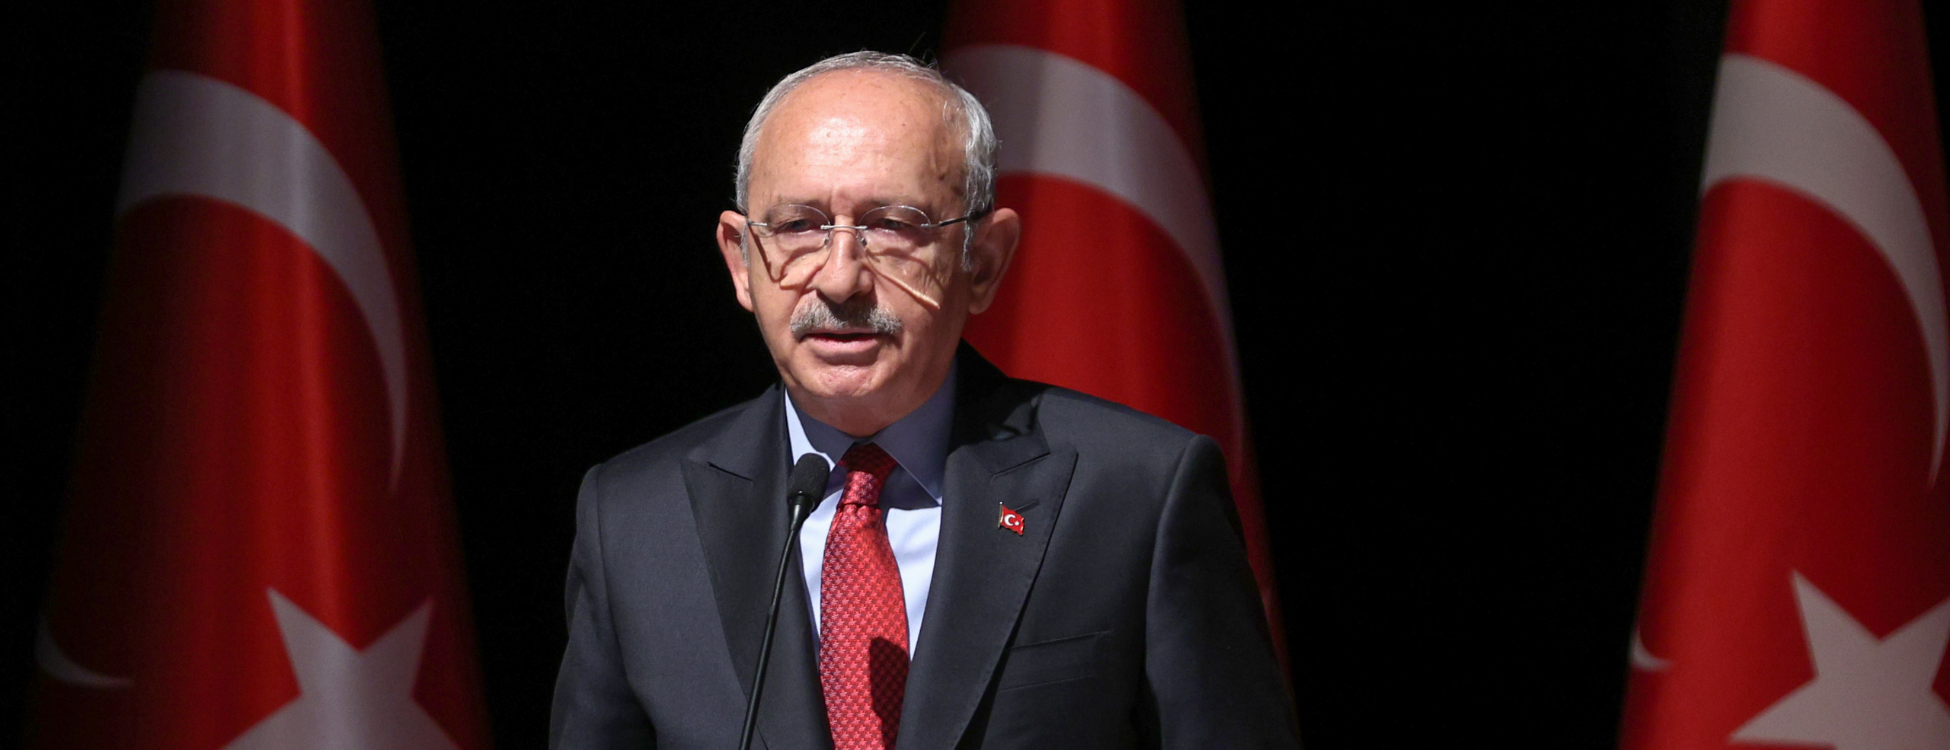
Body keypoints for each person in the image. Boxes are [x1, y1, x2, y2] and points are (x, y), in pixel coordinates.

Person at [549, 51, 1296, 750]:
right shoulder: (634, 519)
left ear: (984, 262)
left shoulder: (1138, 494)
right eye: (800, 226)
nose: (839, 279)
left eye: (892, 226)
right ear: (742, 262)